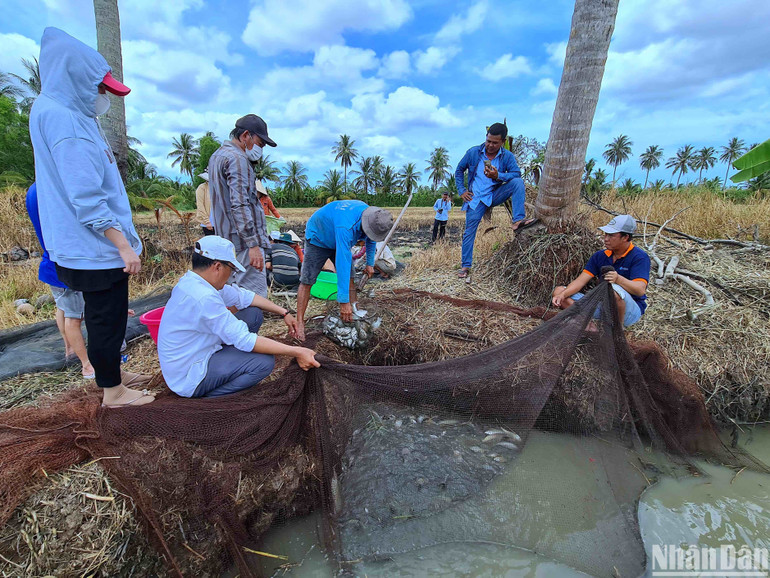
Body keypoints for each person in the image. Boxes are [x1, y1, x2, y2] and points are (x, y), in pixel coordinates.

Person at [29, 28, 153, 407]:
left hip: (80, 247)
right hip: (95, 249)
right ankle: (113, 393)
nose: (104, 96)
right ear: (77, 80)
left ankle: (111, 373)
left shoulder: (54, 110)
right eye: (101, 88)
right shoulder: (68, 124)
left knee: (110, 317)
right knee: (105, 320)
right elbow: (86, 197)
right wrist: (123, 245)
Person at [157, 236, 319, 398]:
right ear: (217, 266)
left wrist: (284, 312)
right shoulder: (203, 297)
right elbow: (245, 339)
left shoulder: (195, 282)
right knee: (263, 363)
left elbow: (244, 297)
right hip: (189, 375)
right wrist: (296, 351)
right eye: (231, 269)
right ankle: (211, 399)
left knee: (252, 313)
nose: (231, 274)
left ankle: (226, 364)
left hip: (194, 354)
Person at [295, 201, 393, 341]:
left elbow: (371, 239)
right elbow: (342, 263)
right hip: (319, 236)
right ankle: (299, 322)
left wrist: (370, 263)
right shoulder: (346, 226)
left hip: (340, 238)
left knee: (350, 278)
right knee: (307, 280)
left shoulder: (372, 217)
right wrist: (343, 301)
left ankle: (355, 312)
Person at [25, 182, 94, 379]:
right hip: (65, 267)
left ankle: (70, 348)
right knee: (74, 317)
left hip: (50, 264)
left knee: (63, 308)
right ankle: (87, 365)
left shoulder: (33, 189)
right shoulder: (51, 188)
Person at [455, 123, 536, 278]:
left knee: (517, 183)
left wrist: (498, 175)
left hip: (494, 195)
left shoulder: (507, 156)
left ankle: (518, 220)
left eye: (495, 142)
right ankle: (465, 266)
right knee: (469, 232)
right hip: (476, 199)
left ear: (503, 142)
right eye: (488, 141)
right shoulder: (473, 153)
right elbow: (459, 170)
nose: (490, 145)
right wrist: (462, 190)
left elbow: (516, 174)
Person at [208, 114, 276, 298]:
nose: (260, 150)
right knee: (251, 297)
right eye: (260, 144)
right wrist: (252, 244)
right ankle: (248, 327)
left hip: (226, 238)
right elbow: (240, 203)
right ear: (246, 135)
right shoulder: (238, 159)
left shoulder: (217, 156)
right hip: (243, 243)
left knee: (231, 292)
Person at [551, 215, 651, 328]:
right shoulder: (600, 256)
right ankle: (588, 324)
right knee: (559, 291)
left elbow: (640, 290)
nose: (606, 238)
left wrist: (618, 279)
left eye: (611, 235)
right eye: (606, 234)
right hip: (602, 306)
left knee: (613, 290)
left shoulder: (639, 257)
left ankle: (617, 329)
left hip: (629, 311)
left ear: (625, 237)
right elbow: (580, 281)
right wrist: (562, 295)